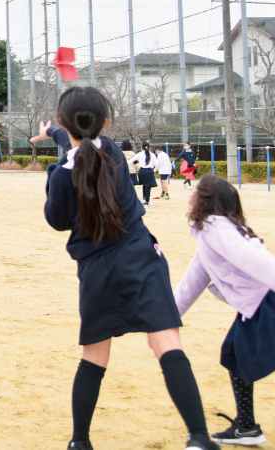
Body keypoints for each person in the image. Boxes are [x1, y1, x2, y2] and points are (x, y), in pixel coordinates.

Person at [43, 87, 217, 450]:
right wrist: (57, 136)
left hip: (96, 270)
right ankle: (199, 438)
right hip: (140, 256)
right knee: (166, 344)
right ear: (105, 124)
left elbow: (57, 219)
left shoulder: (63, 174)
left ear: (62, 123)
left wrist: (52, 162)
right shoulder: (113, 154)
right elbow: (82, 144)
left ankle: (80, 442)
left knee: (95, 355)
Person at [174, 175, 275, 446]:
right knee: (234, 352)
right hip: (263, 298)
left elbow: (245, 254)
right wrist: (165, 317)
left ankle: (246, 426)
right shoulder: (208, 233)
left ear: (206, 200)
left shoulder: (215, 227)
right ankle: (246, 427)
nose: (190, 194)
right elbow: (192, 283)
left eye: (196, 190)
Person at [130, 141, 159, 207]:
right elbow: (156, 164)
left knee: (144, 185)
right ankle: (146, 202)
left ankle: (144, 199)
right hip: (149, 171)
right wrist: (155, 170)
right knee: (148, 187)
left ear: (141, 147)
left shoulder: (140, 154)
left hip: (141, 171)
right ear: (149, 147)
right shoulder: (152, 154)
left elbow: (131, 160)